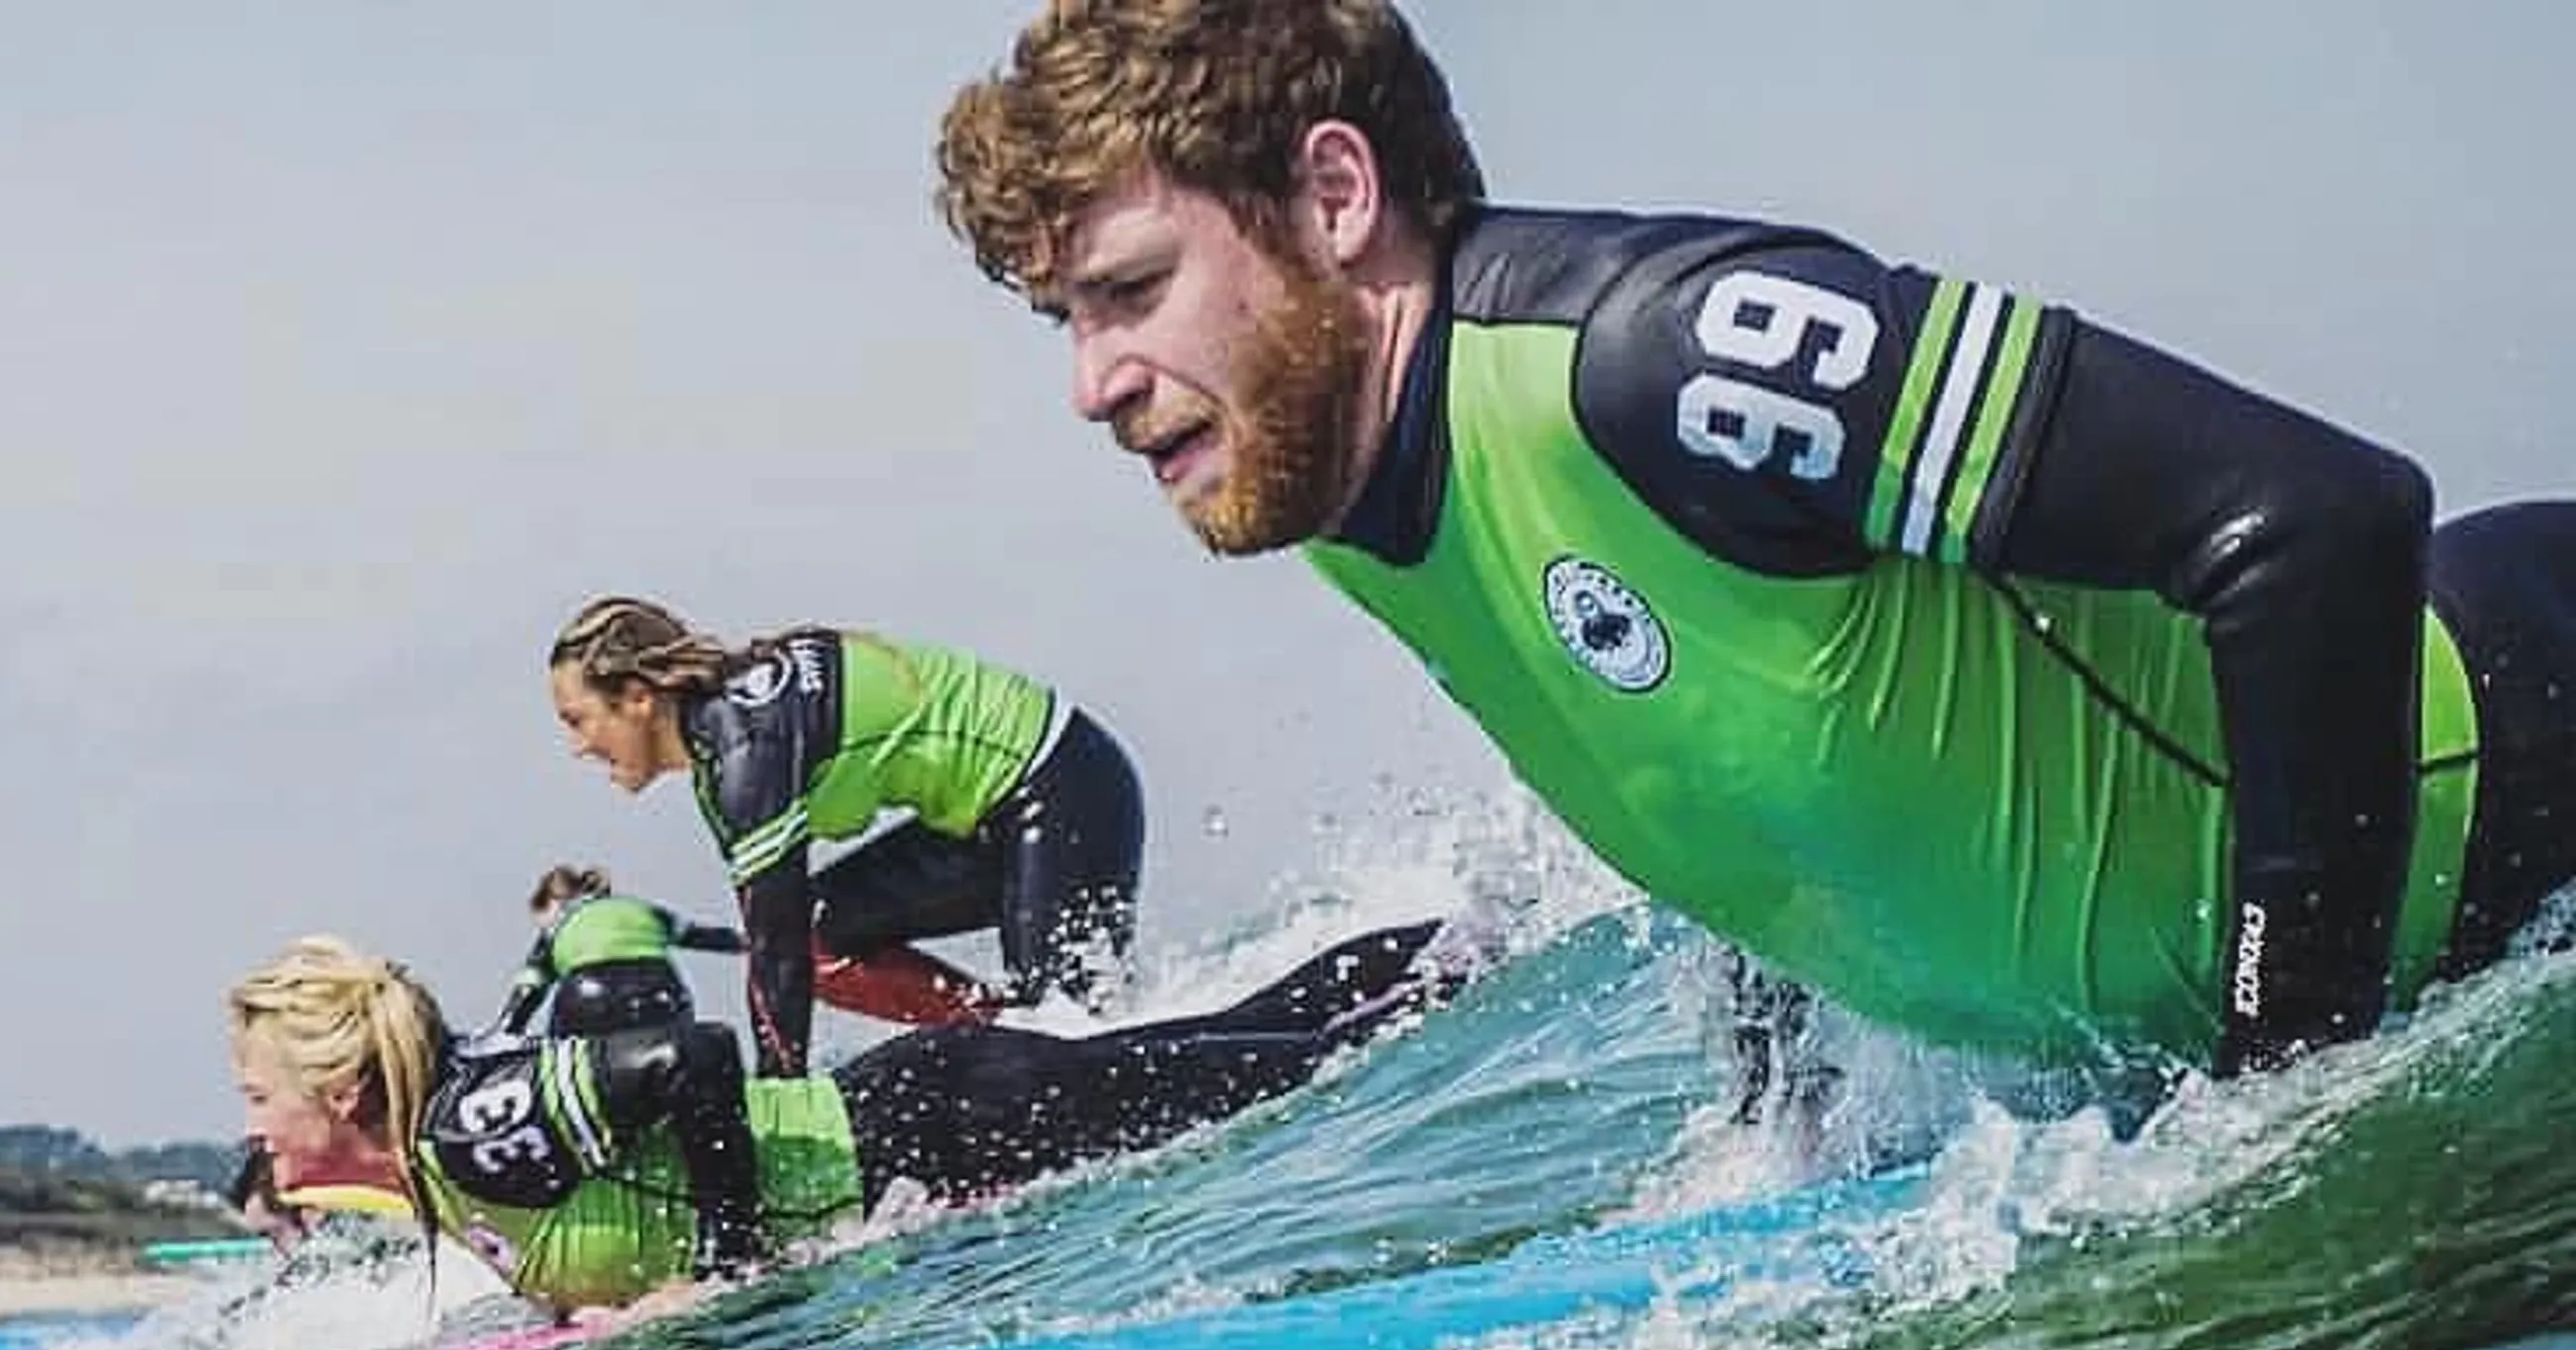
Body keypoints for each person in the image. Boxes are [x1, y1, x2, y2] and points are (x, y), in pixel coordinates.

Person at [929, 1, 2576, 1086]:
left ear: (1335, 197)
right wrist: (1768, 1126)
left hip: (2522, 786)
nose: (1092, 385)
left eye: (1130, 291)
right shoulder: (1342, 497)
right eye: (1060, 321)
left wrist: (2291, 1084)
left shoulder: (1664, 353)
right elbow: (1719, 754)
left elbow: (2310, 523)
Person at [227, 918, 1453, 1313]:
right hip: (927, 1123)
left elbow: (695, 1058)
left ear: (338, 1095)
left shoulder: (469, 1124)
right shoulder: (447, 1158)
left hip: (936, 1122)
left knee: (1289, 1059)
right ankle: (1441, 947)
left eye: (258, 1098)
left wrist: (724, 1264)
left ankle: (1455, 957)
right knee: (1237, 1048)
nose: (257, 1132)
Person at [546, 595, 1148, 1078]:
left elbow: (775, 959)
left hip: (1065, 787)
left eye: (578, 721)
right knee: (821, 940)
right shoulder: (725, 743)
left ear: (637, 699)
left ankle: (1035, 1049)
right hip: (993, 822)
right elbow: (783, 947)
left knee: (1080, 1040)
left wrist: (777, 1111)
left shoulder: (746, 753)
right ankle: (993, 1037)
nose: (577, 746)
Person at [495, 863, 744, 1039]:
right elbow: (702, 936)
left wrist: (503, 1032)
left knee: (558, 1059)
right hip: (662, 994)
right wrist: (752, 942)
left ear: (556, 904)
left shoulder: (558, 926)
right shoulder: (640, 908)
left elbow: (530, 987)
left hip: (591, 1000)